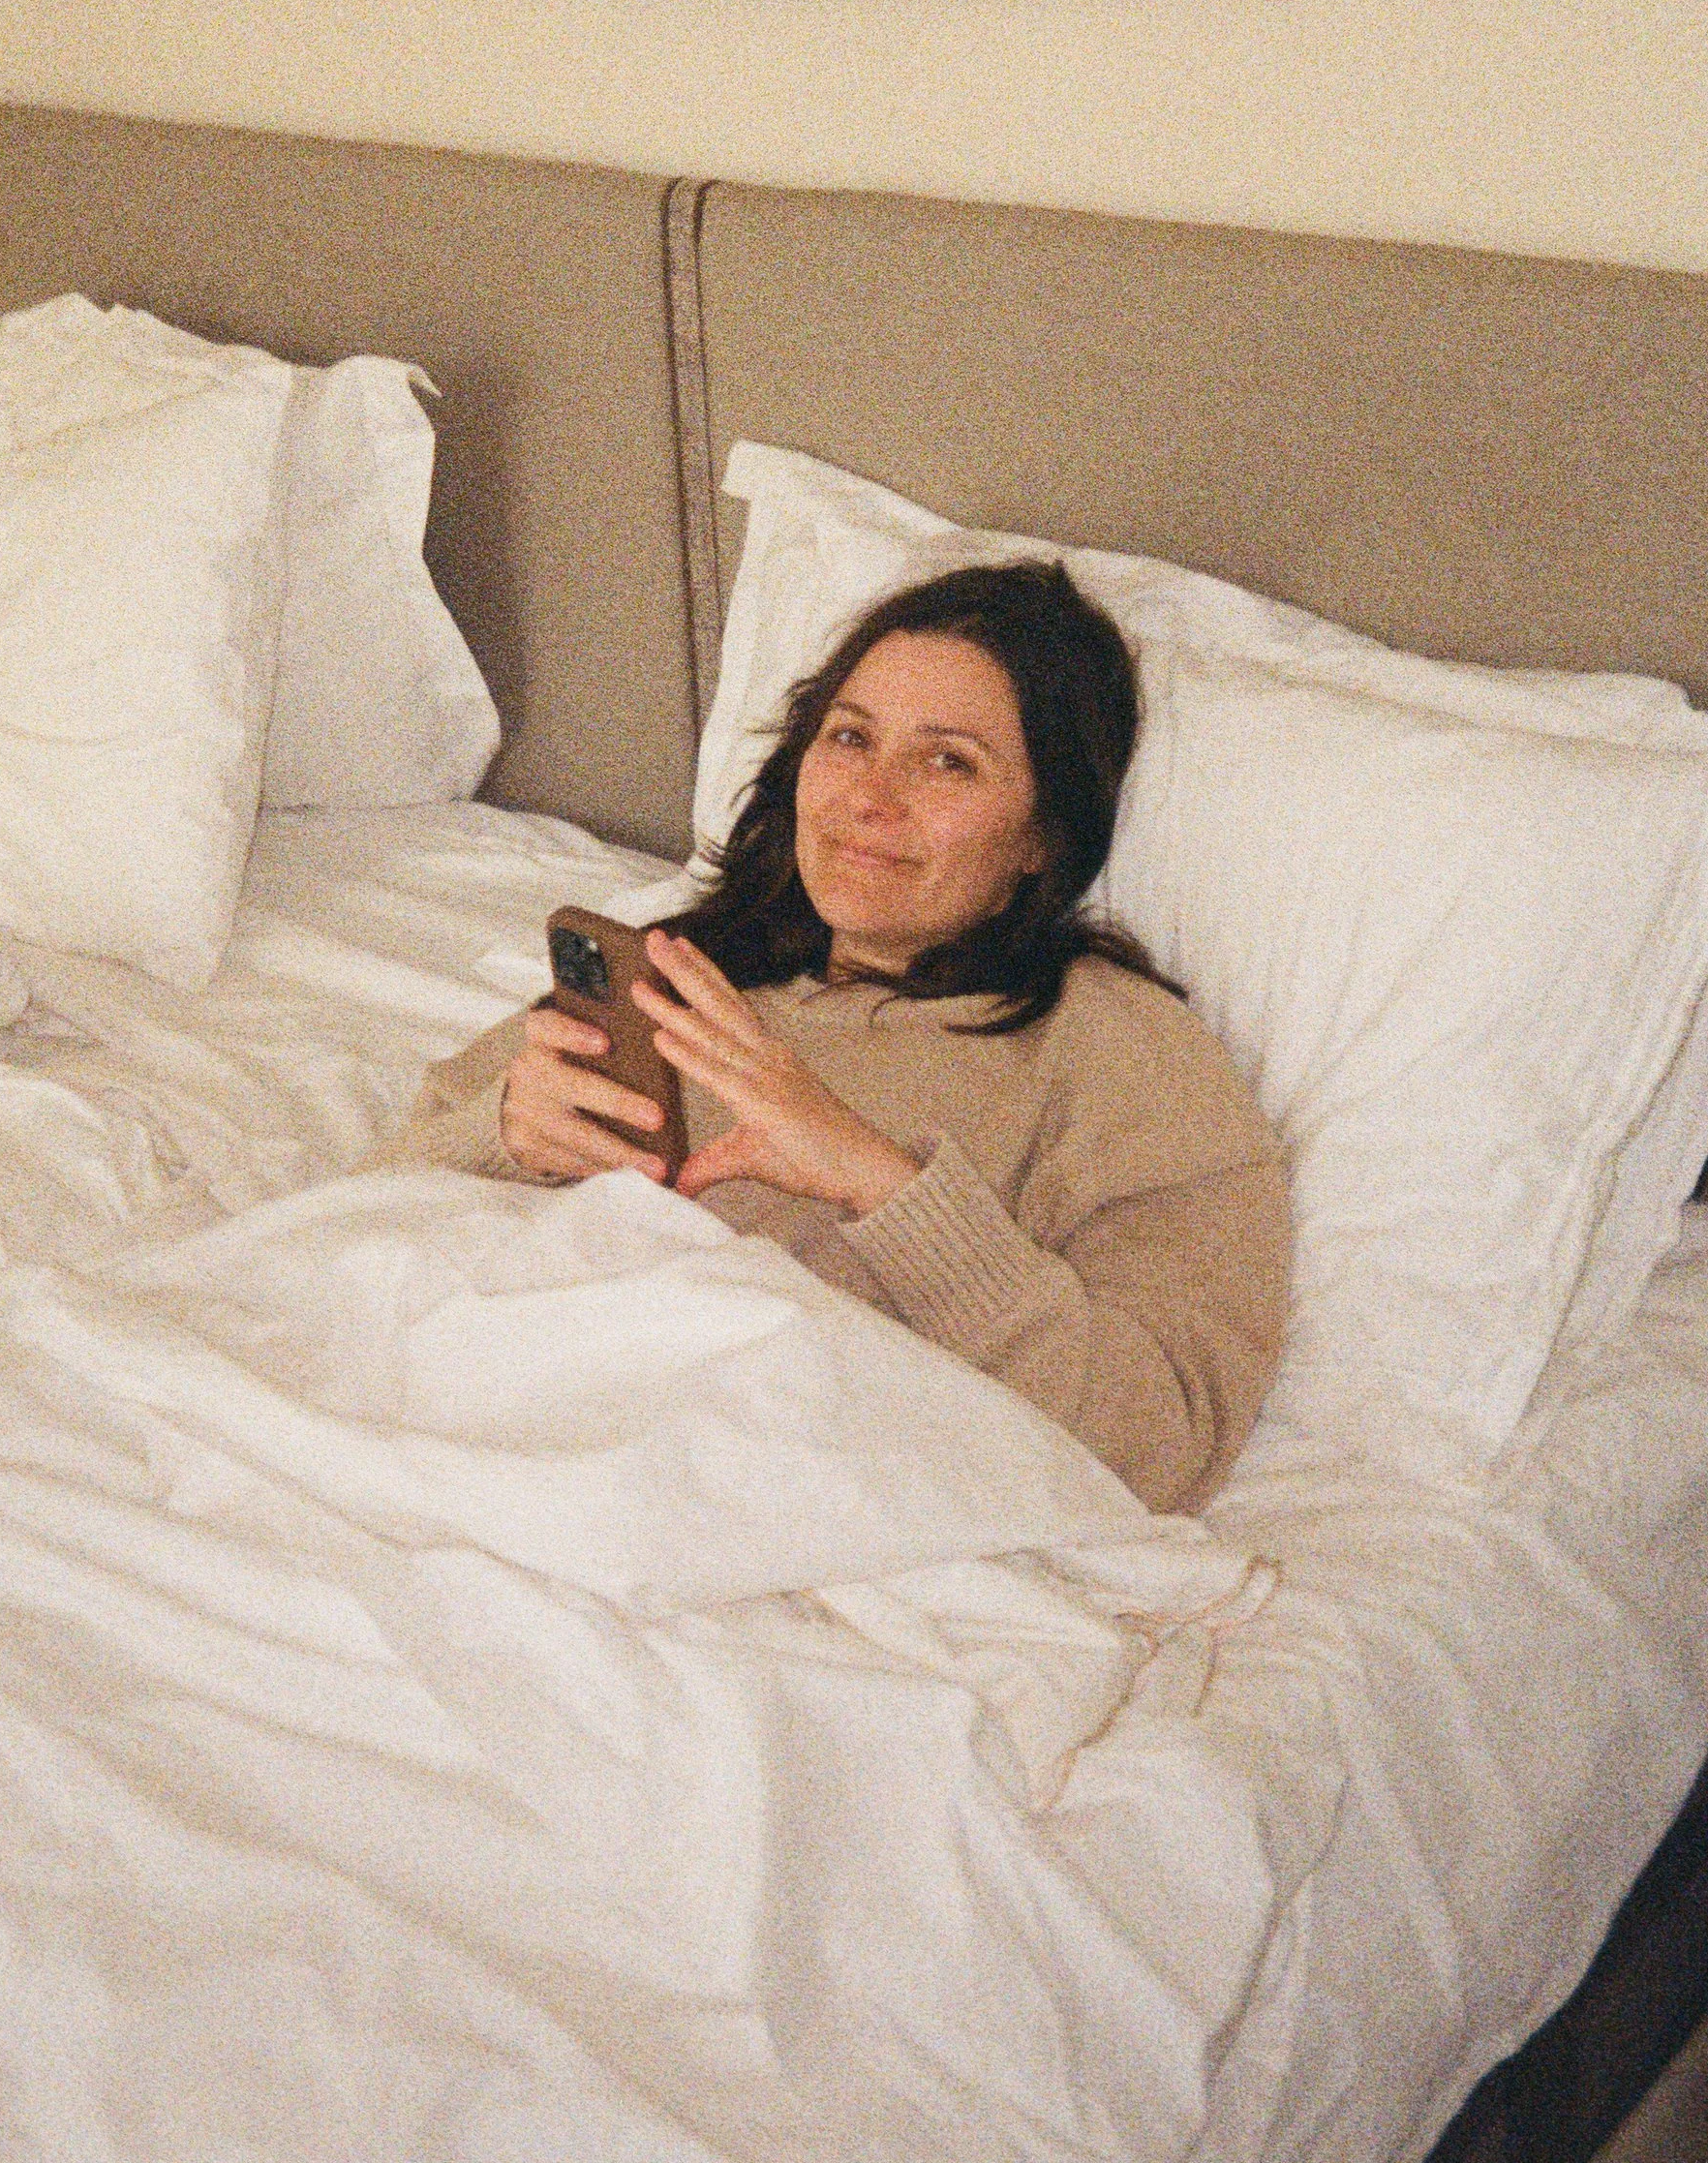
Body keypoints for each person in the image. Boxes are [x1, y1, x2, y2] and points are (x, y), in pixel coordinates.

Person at [393, 563, 1289, 1515]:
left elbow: (1160, 1444)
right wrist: (499, 1132)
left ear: (1044, 836)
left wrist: (884, 1188)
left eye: (948, 761)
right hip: (464, 1412)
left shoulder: (1120, 1053)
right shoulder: (682, 969)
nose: (870, 794)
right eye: (850, 737)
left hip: (727, 1485)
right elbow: (361, 1219)